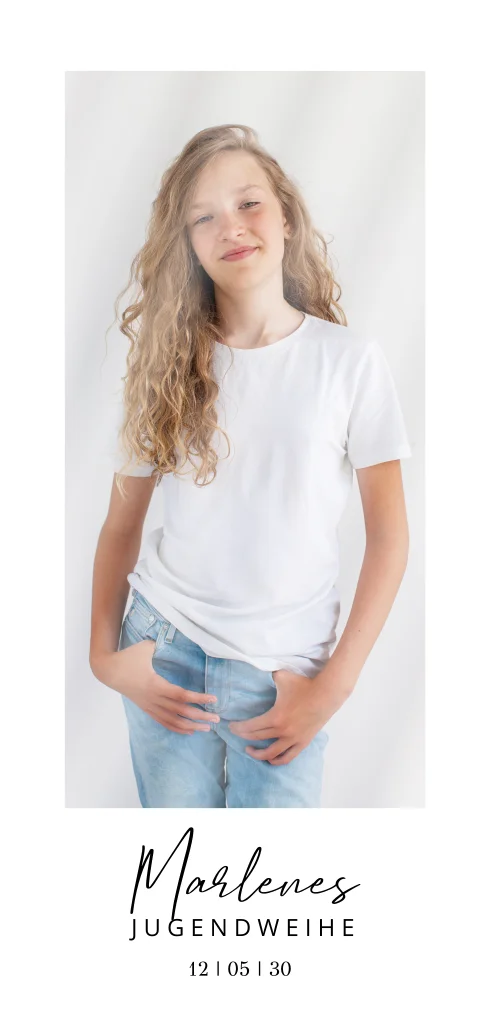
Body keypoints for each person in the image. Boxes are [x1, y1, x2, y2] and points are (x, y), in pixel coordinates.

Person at [89, 124, 412, 808]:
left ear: (286, 217)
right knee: (181, 861)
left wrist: (333, 687)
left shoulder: (349, 362)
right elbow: (121, 524)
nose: (230, 226)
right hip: (165, 653)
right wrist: (103, 657)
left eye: (248, 203)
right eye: (202, 217)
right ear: (187, 245)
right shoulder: (164, 366)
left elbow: (389, 536)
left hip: (284, 678)